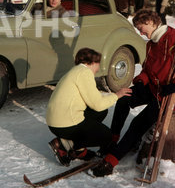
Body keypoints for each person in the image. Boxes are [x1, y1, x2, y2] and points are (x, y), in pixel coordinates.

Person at [92, 10, 175, 177]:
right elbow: (146, 70)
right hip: (152, 88)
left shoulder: (172, 39)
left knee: (138, 123)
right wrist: (140, 80)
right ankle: (113, 141)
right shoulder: (151, 44)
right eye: (137, 28)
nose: (140, 32)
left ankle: (112, 161)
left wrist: (173, 87)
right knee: (123, 98)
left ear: (152, 22)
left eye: (141, 27)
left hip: (166, 95)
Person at [46, 47, 131, 166]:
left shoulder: (75, 71)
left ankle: (79, 149)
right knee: (106, 136)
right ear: (92, 62)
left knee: (100, 113)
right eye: (98, 64)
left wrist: (109, 96)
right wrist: (117, 95)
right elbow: (97, 104)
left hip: (56, 121)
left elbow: (93, 96)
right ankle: (65, 146)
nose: (99, 68)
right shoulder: (85, 73)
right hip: (64, 124)